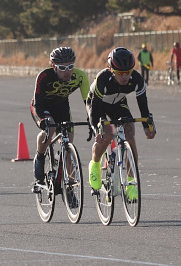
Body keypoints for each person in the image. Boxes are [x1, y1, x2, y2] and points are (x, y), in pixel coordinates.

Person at [87, 47, 156, 201]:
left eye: (128, 72)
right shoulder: (103, 79)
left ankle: (131, 184)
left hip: (118, 103)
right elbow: (95, 110)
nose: (125, 77)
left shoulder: (137, 79)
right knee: (107, 135)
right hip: (97, 104)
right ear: (111, 69)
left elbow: (143, 106)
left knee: (130, 133)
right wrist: (97, 130)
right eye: (120, 73)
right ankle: (95, 165)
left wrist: (147, 126)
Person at [30, 47, 90, 192]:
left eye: (70, 66)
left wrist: (92, 119)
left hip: (62, 107)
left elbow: (89, 102)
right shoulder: (44, 76)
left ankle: (70, 188)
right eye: (62, 68)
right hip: (42, 107)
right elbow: (37, 102)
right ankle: (40, 157)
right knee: (50, 129)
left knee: (68, 143)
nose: (67, 71)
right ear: (53, 67)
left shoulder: (80, 76)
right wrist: (43, 119)